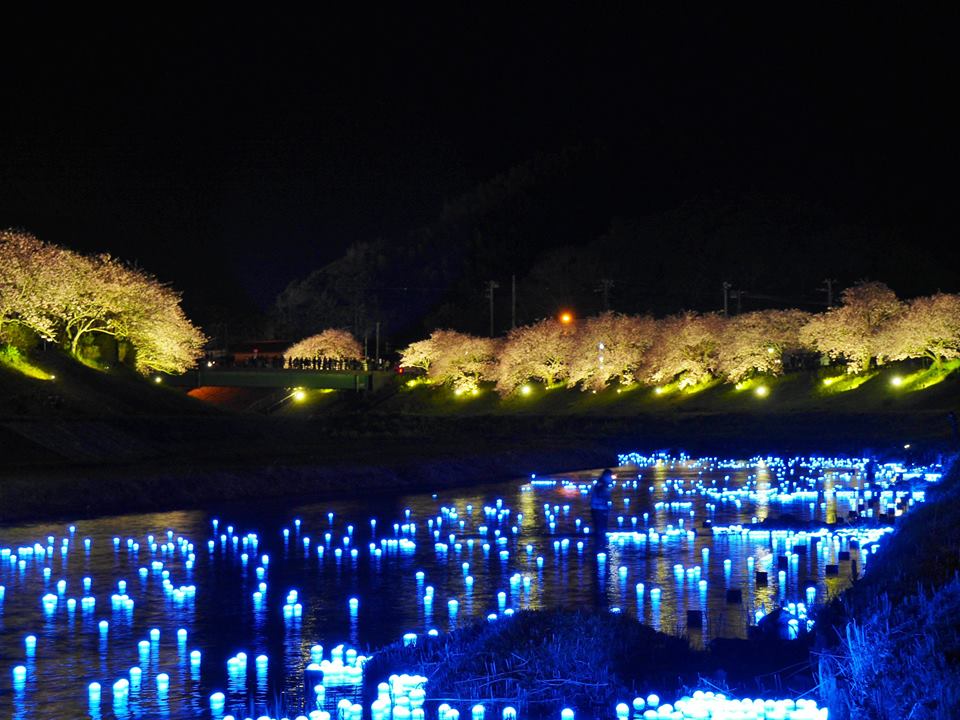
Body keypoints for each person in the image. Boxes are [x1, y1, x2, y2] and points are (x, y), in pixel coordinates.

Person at [591, 469, 613, 544]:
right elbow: (601, 497)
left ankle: (599, 545)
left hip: (598, 510)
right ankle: (601, 545)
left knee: (599, 530)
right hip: (599, 510)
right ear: (606, 476)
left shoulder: (601, 484)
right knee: (601, 531)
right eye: (610, 476)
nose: (611, 478)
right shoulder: (602, 486)